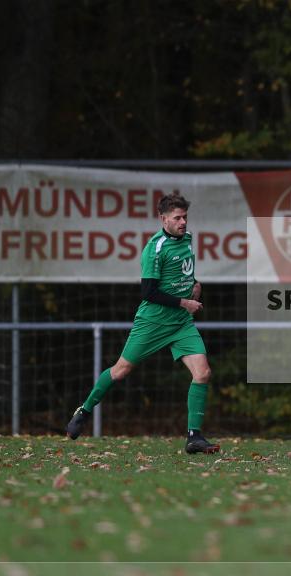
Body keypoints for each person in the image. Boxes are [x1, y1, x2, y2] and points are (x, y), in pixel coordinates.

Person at [66, 192, 219, 454]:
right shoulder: (154, 248)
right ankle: (84, 410)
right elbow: (148, 292)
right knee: (121, 370)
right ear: (163, 219)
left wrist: (194, 285)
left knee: (202, 373)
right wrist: (185, 303)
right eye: (177, 218)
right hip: (153, 321)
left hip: (180, 323)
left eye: (185, 217)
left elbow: (182, 274)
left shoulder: (188, 239)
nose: (183, 222)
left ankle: (194, 437)